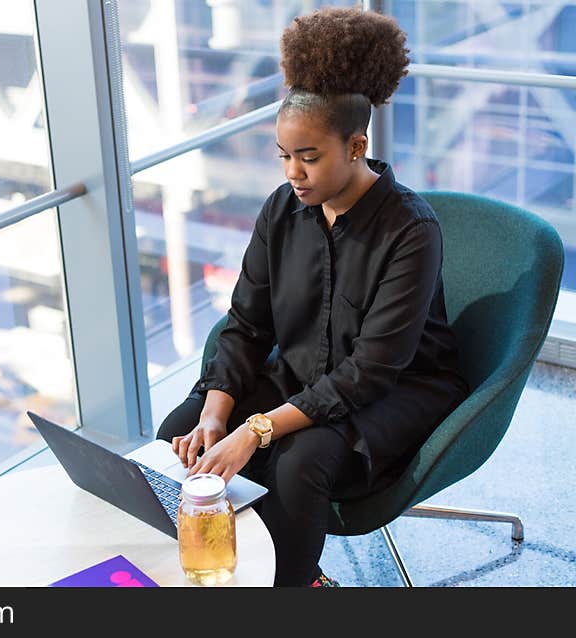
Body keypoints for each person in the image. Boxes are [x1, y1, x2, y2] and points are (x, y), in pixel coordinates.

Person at [156, 6, 470, 587]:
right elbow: (246, 324)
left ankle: (297, 583)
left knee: (300, 462)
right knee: (177, 433)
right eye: (284, 155)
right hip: (304, 373)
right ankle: (229, 567)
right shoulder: (282, 210)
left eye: (309, 157)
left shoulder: (411, 231)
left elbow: (372, 371)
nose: (293, 172)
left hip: (400, 385)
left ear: (355, 146)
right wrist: (215, 412)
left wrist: (256, 429)